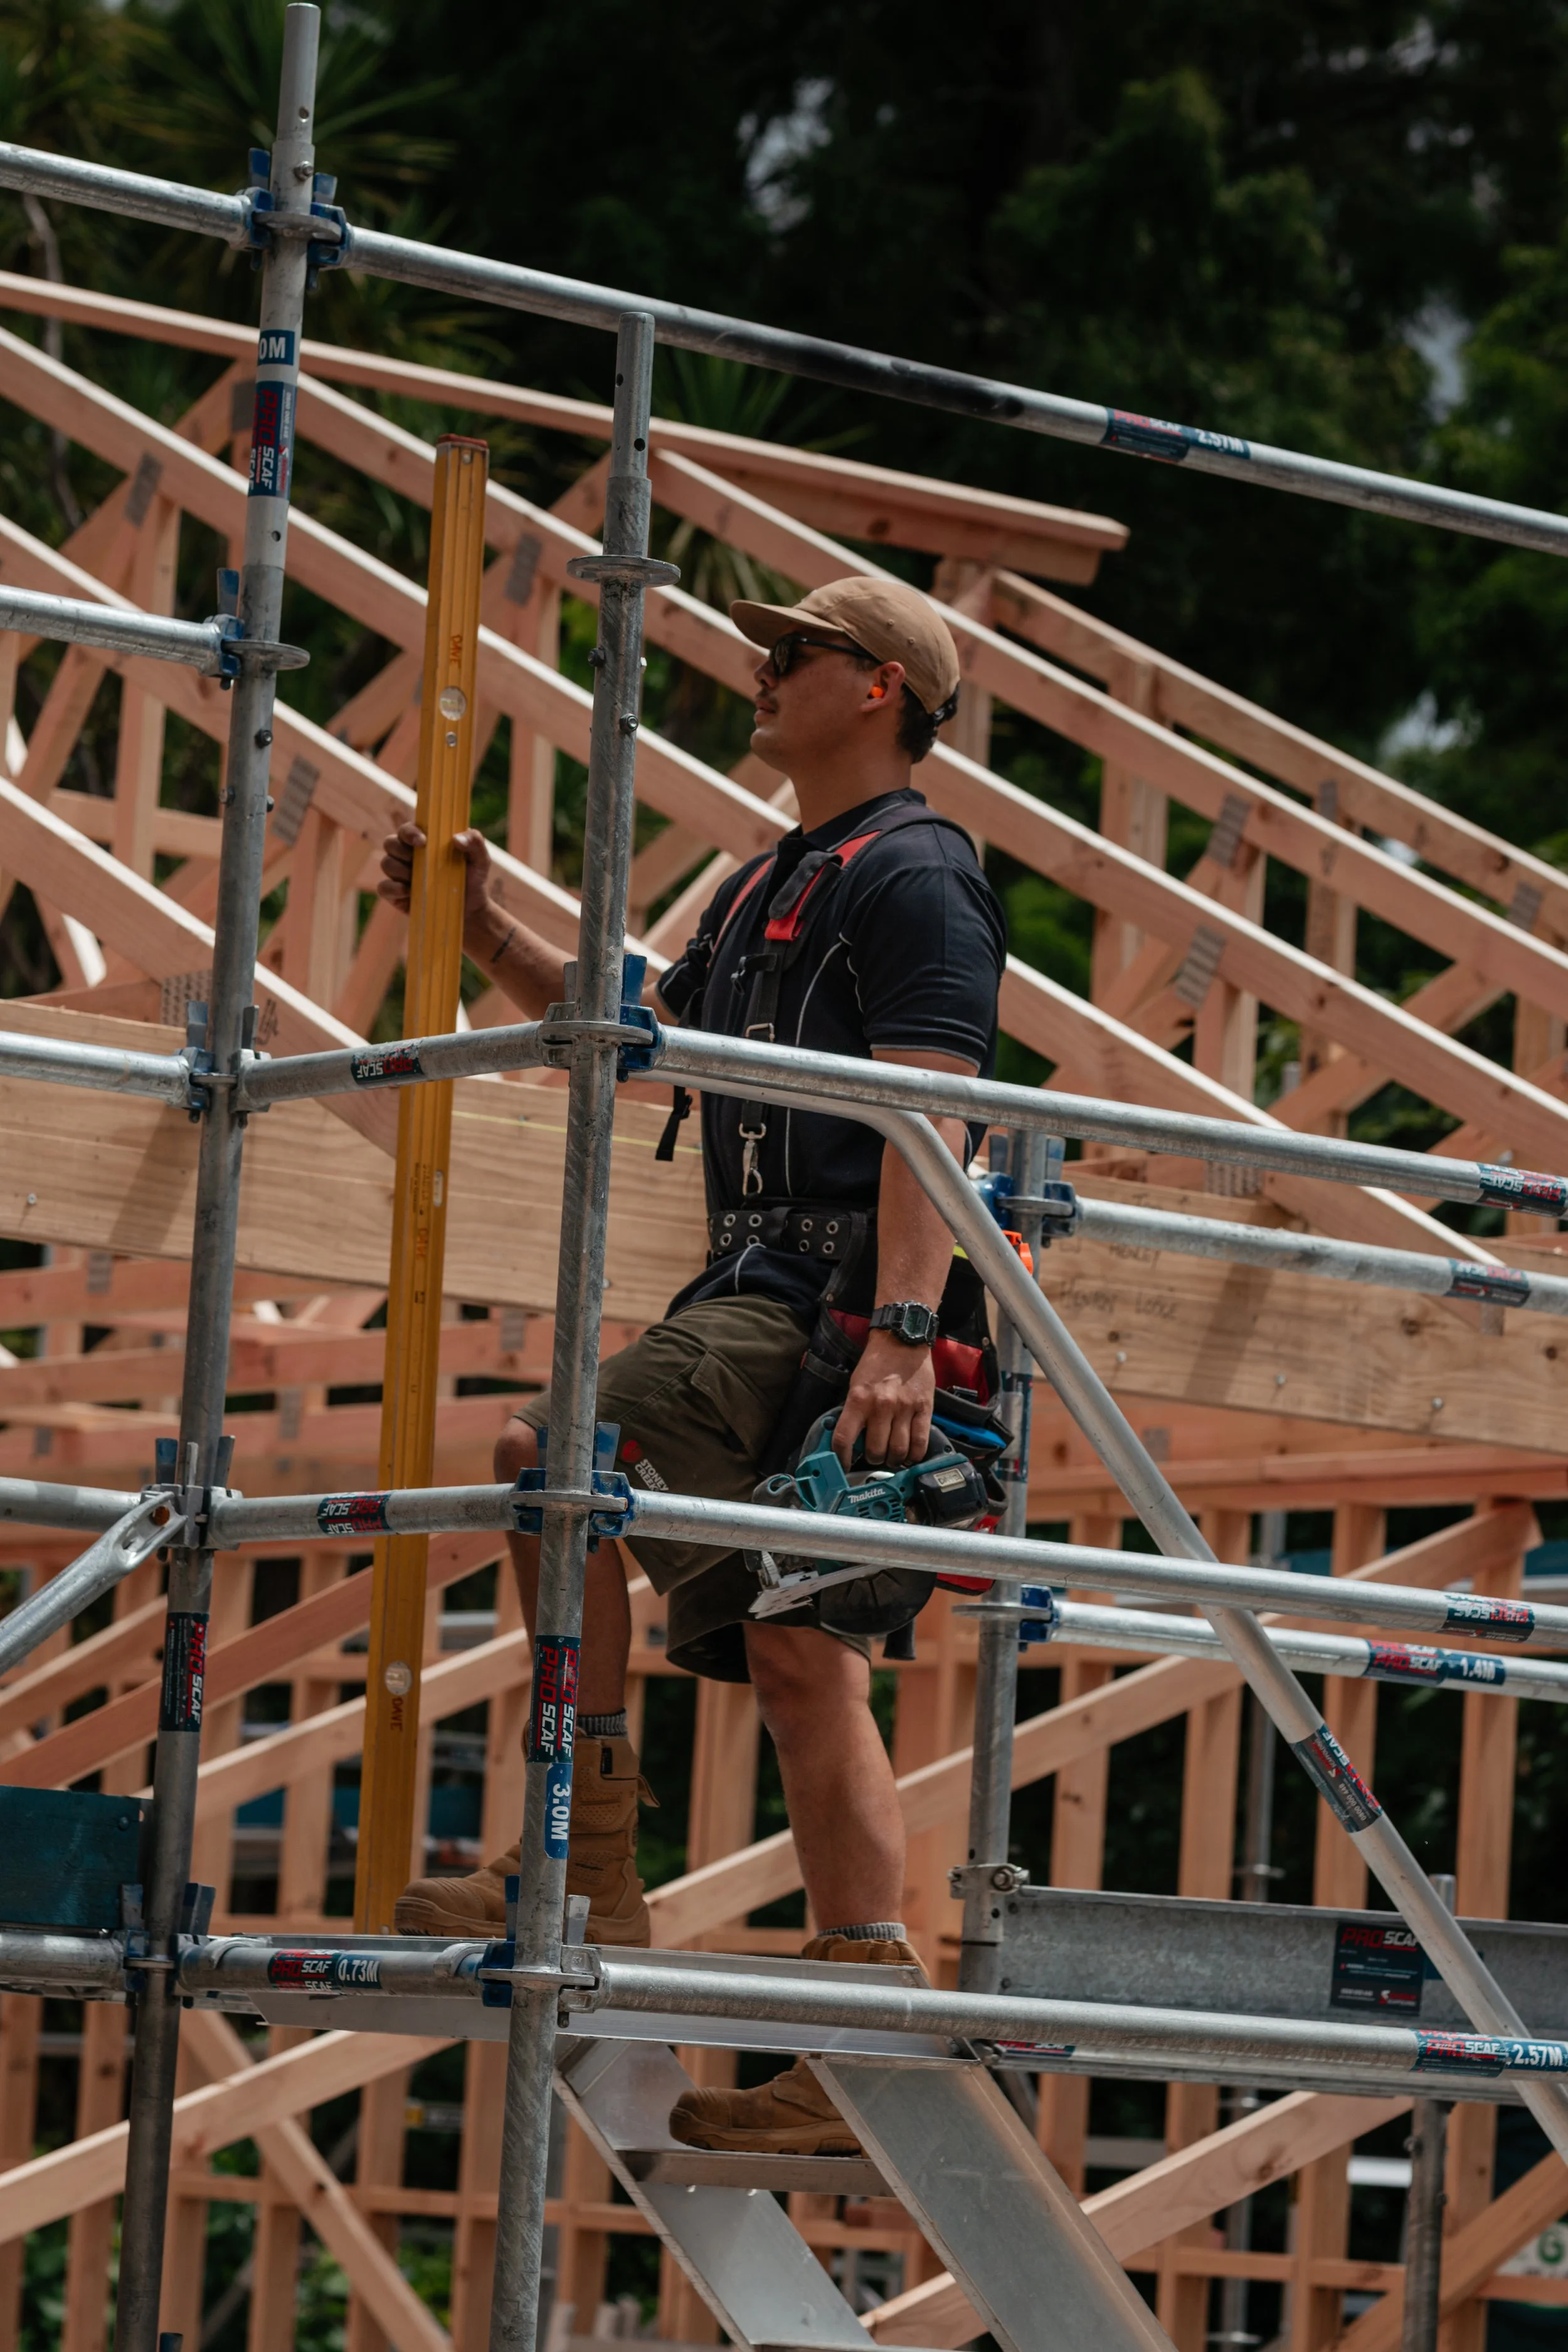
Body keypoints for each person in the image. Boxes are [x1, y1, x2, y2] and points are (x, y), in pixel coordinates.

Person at [384, 575, 1006, 2153]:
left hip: (824, 1298)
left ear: (876, 687)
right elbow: (641, 1025)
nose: (757, 666)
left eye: (788, 652)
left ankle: (582, 1862)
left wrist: (902, 1333)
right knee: (802, 1659)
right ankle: (857, 2042)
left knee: (559, 1460)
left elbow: (928, 1115)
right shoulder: (767, 882)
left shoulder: (916, 872)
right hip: (766, 1287)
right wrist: (487, 926)